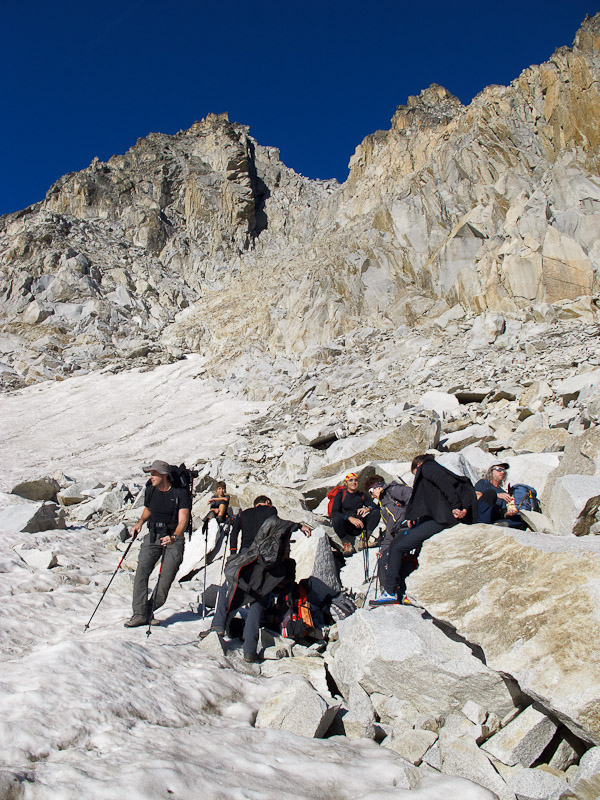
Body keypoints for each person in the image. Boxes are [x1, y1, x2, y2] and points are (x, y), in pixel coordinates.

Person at [200, 511, 311, 662]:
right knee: (256, 606)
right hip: (265, 579)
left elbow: (240, 532)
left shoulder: (254, 531)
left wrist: (233, 553)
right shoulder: (281, 561)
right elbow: (278, 522)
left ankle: (218, 626)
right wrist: (298, 526)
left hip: (248, 565)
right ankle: (250, 651)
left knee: (229, 591)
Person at [371, 454, 477, 606]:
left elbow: (444, 484)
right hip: (437, 517)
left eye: (415, 474)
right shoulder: (432, 468)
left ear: (418, 465)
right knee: (398, 545)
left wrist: (455, 506)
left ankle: (391, 592)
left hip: (442, 518)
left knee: (399, 547)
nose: (416, 477)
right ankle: (401, 591)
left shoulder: (427, 467)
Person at [124, 459, 191, 627]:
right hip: (153, 535)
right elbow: (148, 509)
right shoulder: (150, 491)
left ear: (164, 476)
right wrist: (140, 523)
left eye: (154, 474)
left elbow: (183, 520)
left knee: (165, 580)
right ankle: (139, 614)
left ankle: (148, 610)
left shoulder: (180, 494)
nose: (151, 477)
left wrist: (174, 536)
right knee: (141, 573)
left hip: (173, 539)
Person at [364, 474, 412, 584]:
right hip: (400, 531)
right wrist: (383, 549)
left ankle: (390, 590)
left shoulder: (392, 491)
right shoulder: (384, 505)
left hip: (407, 527)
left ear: (378, 487)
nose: (372, 496)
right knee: (383, 559)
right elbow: (390, 531)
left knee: (393, 557)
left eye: (371, 492)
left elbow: (411, 495)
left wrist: (411, 517)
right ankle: (387, 590)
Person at [330, 472, 380, 555]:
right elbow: (334, 512)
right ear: (346, 483)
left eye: (356, 480)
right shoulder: (340, 495)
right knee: (336, 519)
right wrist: (349, 518)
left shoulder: (361, 495)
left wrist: (368, 508)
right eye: (351, 480)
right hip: (346, 525)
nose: (354, 482)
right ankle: (346, 543)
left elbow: (376, 507)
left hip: (359, 525)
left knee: (376, 512)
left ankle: (364, 540)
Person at [475, 463, 526, 530]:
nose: (502, 472)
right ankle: (484, 524)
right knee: (490, 493)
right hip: (481, 514)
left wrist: (509, 513)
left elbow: (503, 512)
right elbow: (476, 496)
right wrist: (496, 495)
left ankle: (502, 524)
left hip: (494, 516)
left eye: (504, 471)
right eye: (499, 469)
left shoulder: (503, 492)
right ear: (491, 471)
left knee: (521, 519)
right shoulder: (483, 483)